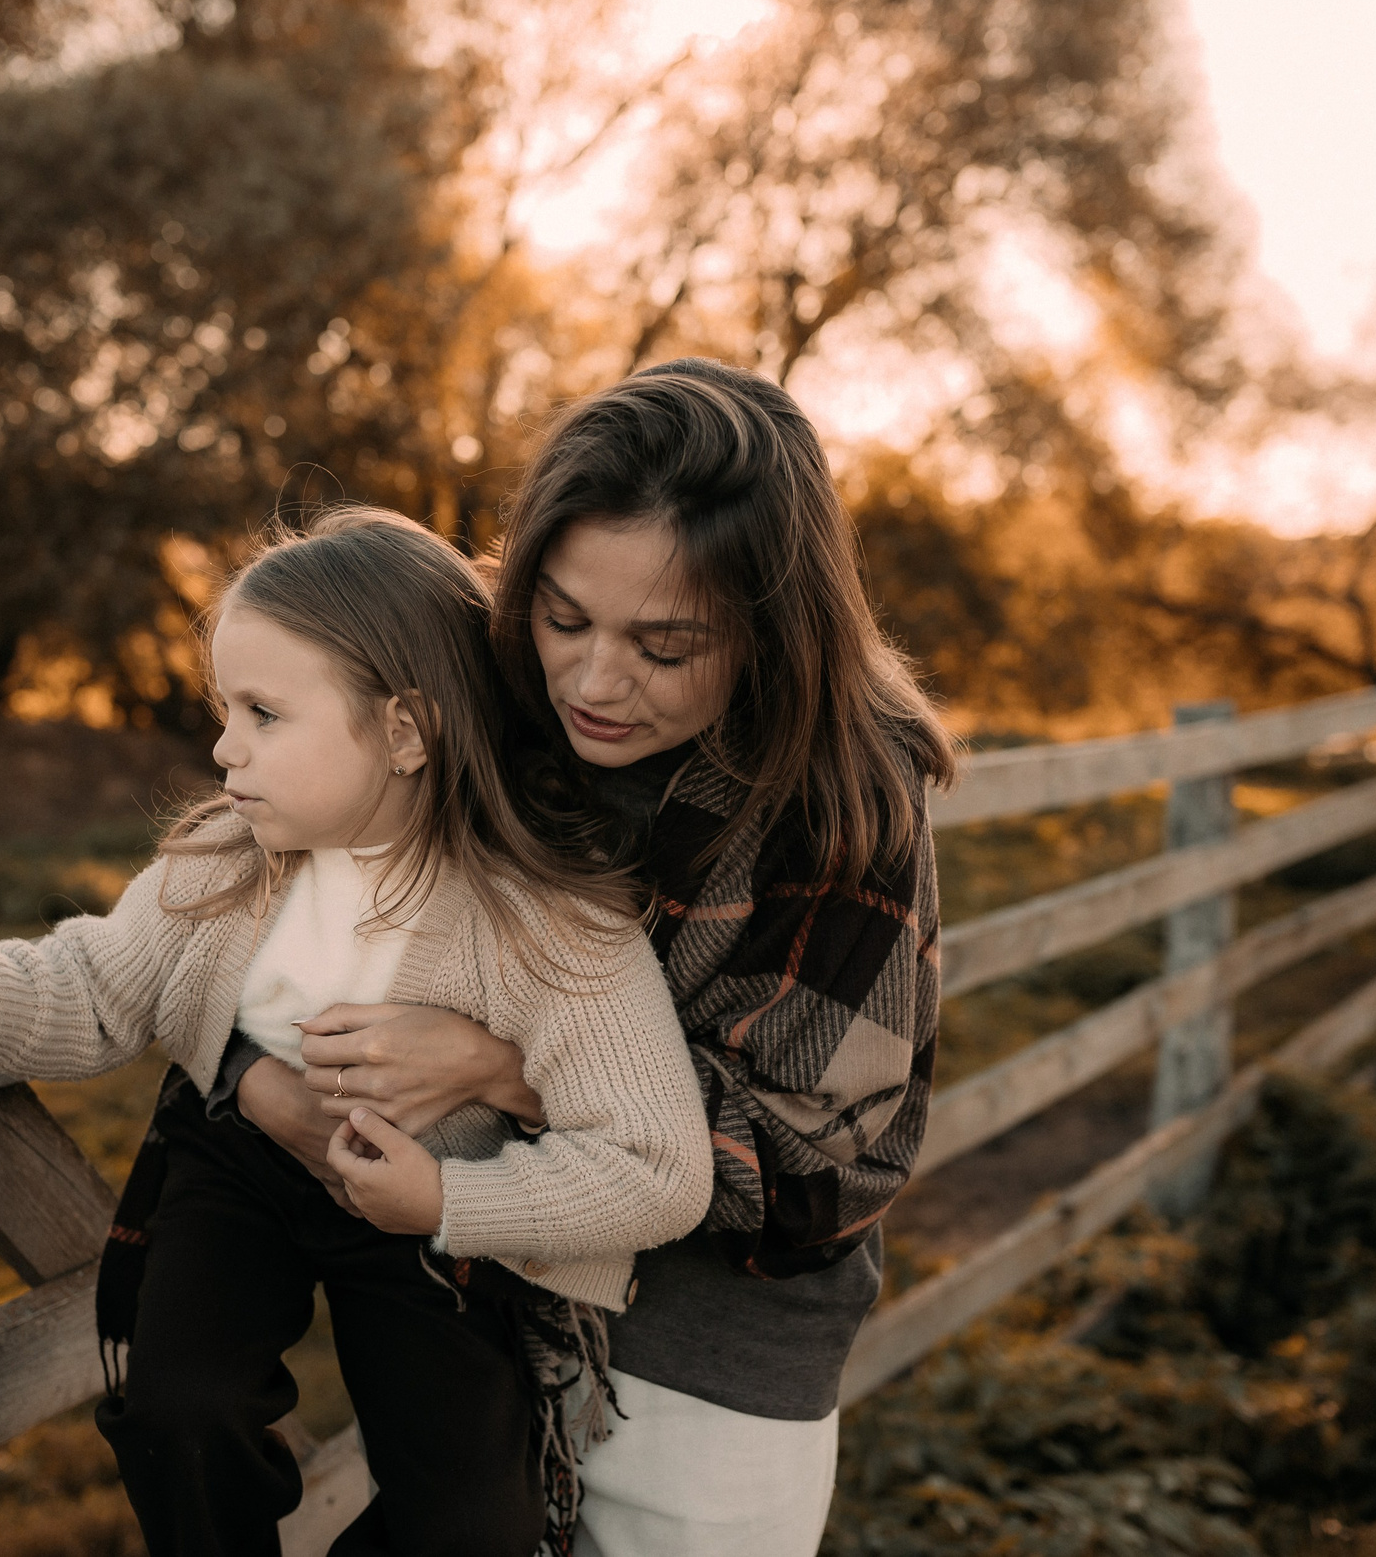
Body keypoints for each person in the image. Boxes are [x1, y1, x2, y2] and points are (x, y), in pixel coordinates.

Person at [0, 507, 712, 1557]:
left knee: (474, 1526)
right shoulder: (220, 862)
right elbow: (101, 986)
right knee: (178, 1414)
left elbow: (659, 1165)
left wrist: (447, 1198)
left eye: (263, 714)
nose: (222, 746)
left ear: (404, 731)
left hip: (433, 1211)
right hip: (237, 1172)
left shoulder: (544, 922)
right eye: (224, 708)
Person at [272, 360, 955, 1557]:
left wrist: (501, 1069)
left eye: (665, 644)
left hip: (707, 1377)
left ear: (770, 630)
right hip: (474, 1316)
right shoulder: (496, 701)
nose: (594, 681)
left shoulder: (843, 805)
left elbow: (815, 1172)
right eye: (564, 618)